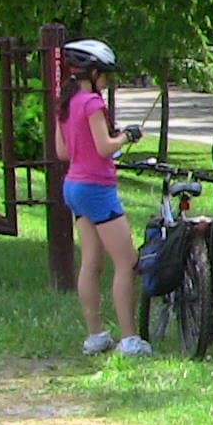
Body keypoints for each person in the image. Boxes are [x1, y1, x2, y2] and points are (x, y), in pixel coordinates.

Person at [58, 38, 149, 356]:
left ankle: (95, 335)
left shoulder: (66, 102)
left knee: (91, 262)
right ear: (92, 72)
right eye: (105, 74)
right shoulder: (93, 104)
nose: (107, 79)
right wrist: (127, 136)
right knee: (127, 262)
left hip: (73, 187)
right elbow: (104, 147)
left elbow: (61, 151)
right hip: (97, 189)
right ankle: (129, 339)